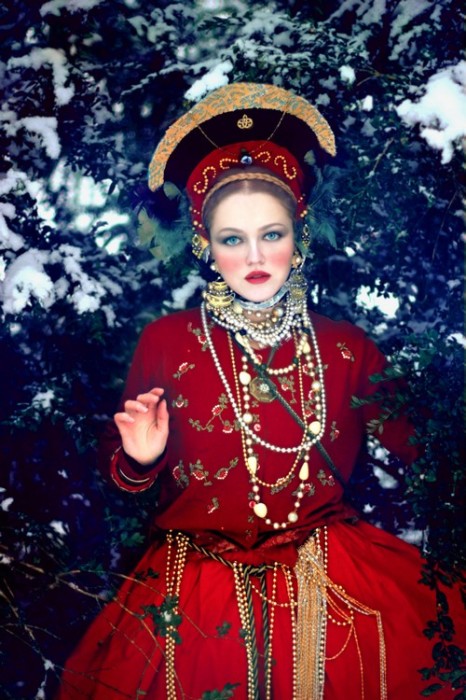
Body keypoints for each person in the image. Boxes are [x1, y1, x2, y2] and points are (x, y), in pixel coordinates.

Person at [56, 83, 464, 700]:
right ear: (205, 244)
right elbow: (118, 476)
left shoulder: (345, 347)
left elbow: (431, 459)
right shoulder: (167, 341)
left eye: (272, 234)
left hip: (333, 574)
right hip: (195, 582)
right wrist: (139, 460)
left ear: (299, 236)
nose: (255, 255)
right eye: (232, 238)